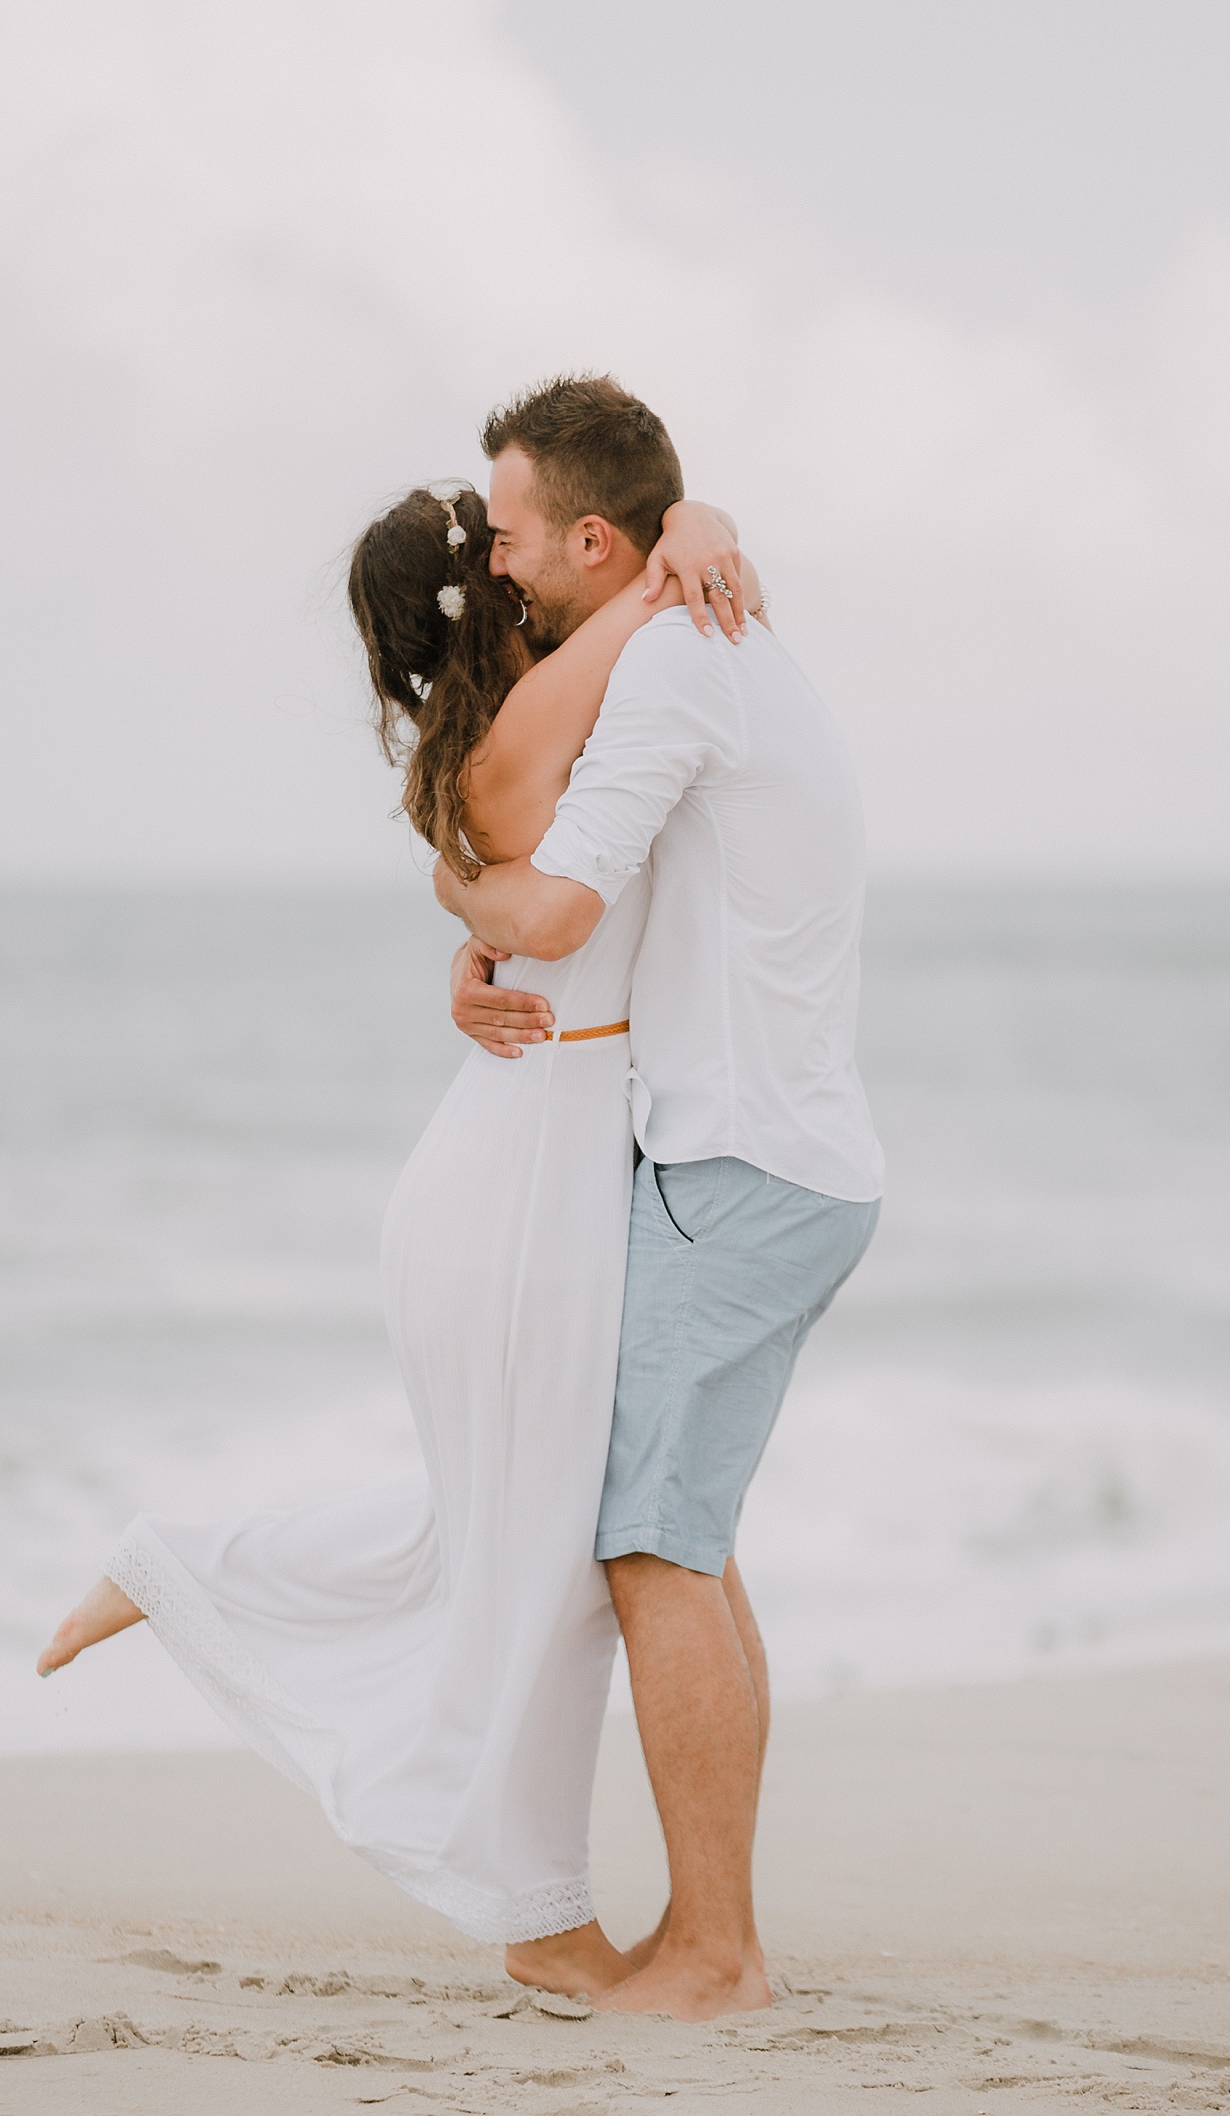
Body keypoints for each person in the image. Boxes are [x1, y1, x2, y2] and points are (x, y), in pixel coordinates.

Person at [34, 387, 750, 1999]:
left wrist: (694, 526)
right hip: (520, 1186)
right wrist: (690, 537)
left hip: (518, 1160)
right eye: (499, 558)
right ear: (492, 599)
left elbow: (519, 856)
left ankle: (185, 1568)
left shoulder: (498, 738)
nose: (526, 570)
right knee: (535, 1546)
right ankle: (542, 1916)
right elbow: (629, 620)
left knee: (496, 1532)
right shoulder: (532, 723)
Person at [438, 377, 884, 2021]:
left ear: (598, 539)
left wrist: (452, 892)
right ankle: (714, 1935)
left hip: (743, 1164)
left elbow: (551, 906)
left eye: (509, 539)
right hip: (764, 1155)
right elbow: (564, 909)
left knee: (649, 1548)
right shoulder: (701, 625)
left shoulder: (679, 661)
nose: (495, 569)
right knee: (686, 1542)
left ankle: (716, 1952)